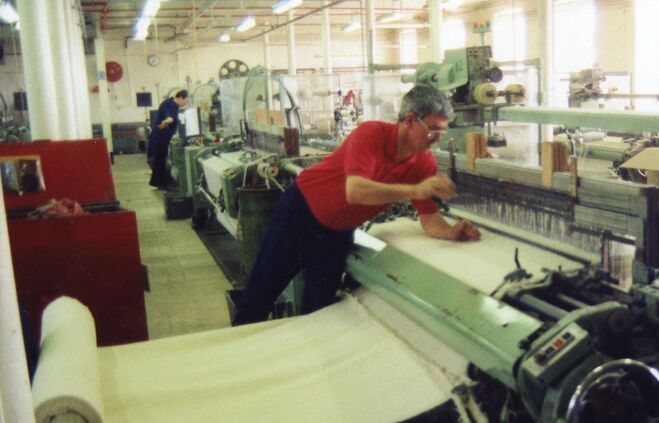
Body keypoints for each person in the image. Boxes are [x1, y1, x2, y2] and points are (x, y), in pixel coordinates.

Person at [232, 85, 480, 325]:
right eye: (433, 129)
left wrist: (451, 232)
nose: (437, 139)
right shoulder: (371, 133)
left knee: (317, 312)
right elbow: (355, 191)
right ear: (409, 120)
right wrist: (415, 190)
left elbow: (429, 217)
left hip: (337, 233)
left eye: (442, 131)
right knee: (259, 296)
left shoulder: (423, 163)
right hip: (299, 214)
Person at [147, 89, 189, 189]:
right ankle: (161, 184)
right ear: (180, 98)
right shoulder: (170, 105)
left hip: (161, 137)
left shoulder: (171, 103)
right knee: (160, 160)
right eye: (186, 100)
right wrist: (167, 121)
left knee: (160, 160)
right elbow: (169, 117)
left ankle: (159, 183)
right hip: (160, 137)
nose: (186, 103)